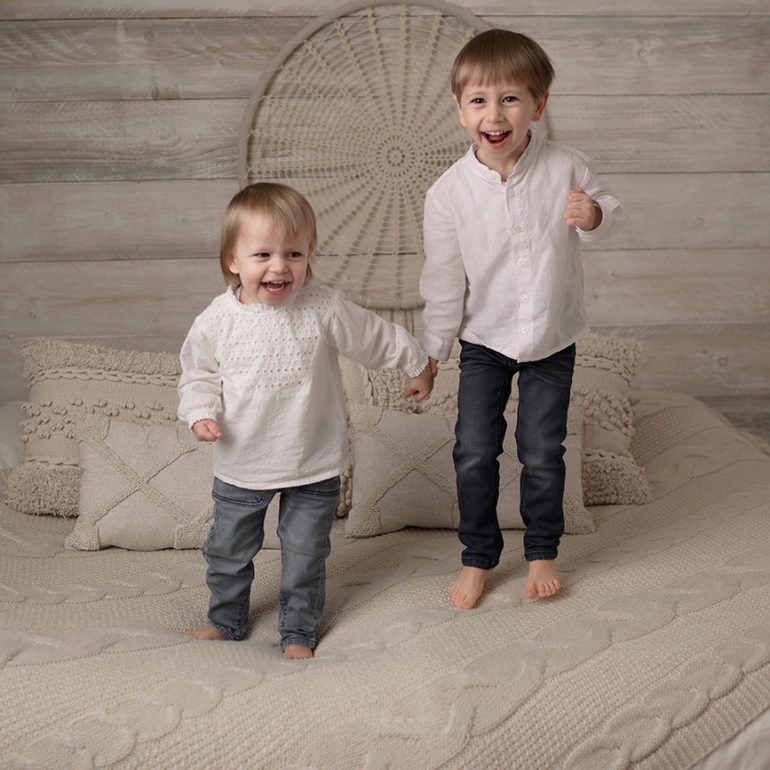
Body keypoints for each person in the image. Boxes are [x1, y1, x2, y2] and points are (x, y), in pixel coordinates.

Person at [179, 182, 433, 659]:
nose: (279, 266)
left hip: (312, 460)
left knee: (305, 556)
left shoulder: (323, 307)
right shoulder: (216, 320)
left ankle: (298, 632)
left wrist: (415, 362)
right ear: (233, 260)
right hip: (242, 463)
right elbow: (198, 374)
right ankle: (226, 621)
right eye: (262, 255)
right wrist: (200, 413)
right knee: (227, 552)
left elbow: (373, 336)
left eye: (293, 254)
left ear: (310, 253)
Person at [419, 29, 625, 609]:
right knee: (474, 450)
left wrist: (595, 215)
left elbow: (613, 212)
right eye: (479, 100)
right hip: (483, 340)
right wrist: (431, 354)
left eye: (510, 98)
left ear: (538, 104)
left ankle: (541, 552)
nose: (495, 114)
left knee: (541, 450)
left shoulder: (566, 166)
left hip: (551, 339)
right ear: (460, 110)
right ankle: (478, 556)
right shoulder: (448, 194)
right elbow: (443, 280)